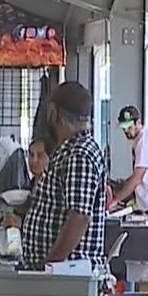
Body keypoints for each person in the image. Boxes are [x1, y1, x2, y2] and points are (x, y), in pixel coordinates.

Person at [20, 82, 109, 274]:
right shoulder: (67, 151)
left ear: (53, 113)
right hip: (60, 274)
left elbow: (79, 217)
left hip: (67, 274)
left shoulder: (79, 155)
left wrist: (49, 267)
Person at [109, 105, 148, 224]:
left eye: (129, 127)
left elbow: (137, 177)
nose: (126, 131)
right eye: (124, 128)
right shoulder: (141, 140)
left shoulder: (144, 141)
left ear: (138, 122)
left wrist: (116, 199)